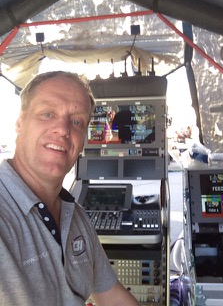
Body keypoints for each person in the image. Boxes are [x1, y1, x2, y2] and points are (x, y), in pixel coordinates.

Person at [0, 71, 140, 306]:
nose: (63, 129)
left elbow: (113, 297)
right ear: (20, 123)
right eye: (47, 114)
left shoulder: (76, 217)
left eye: (76, 121)